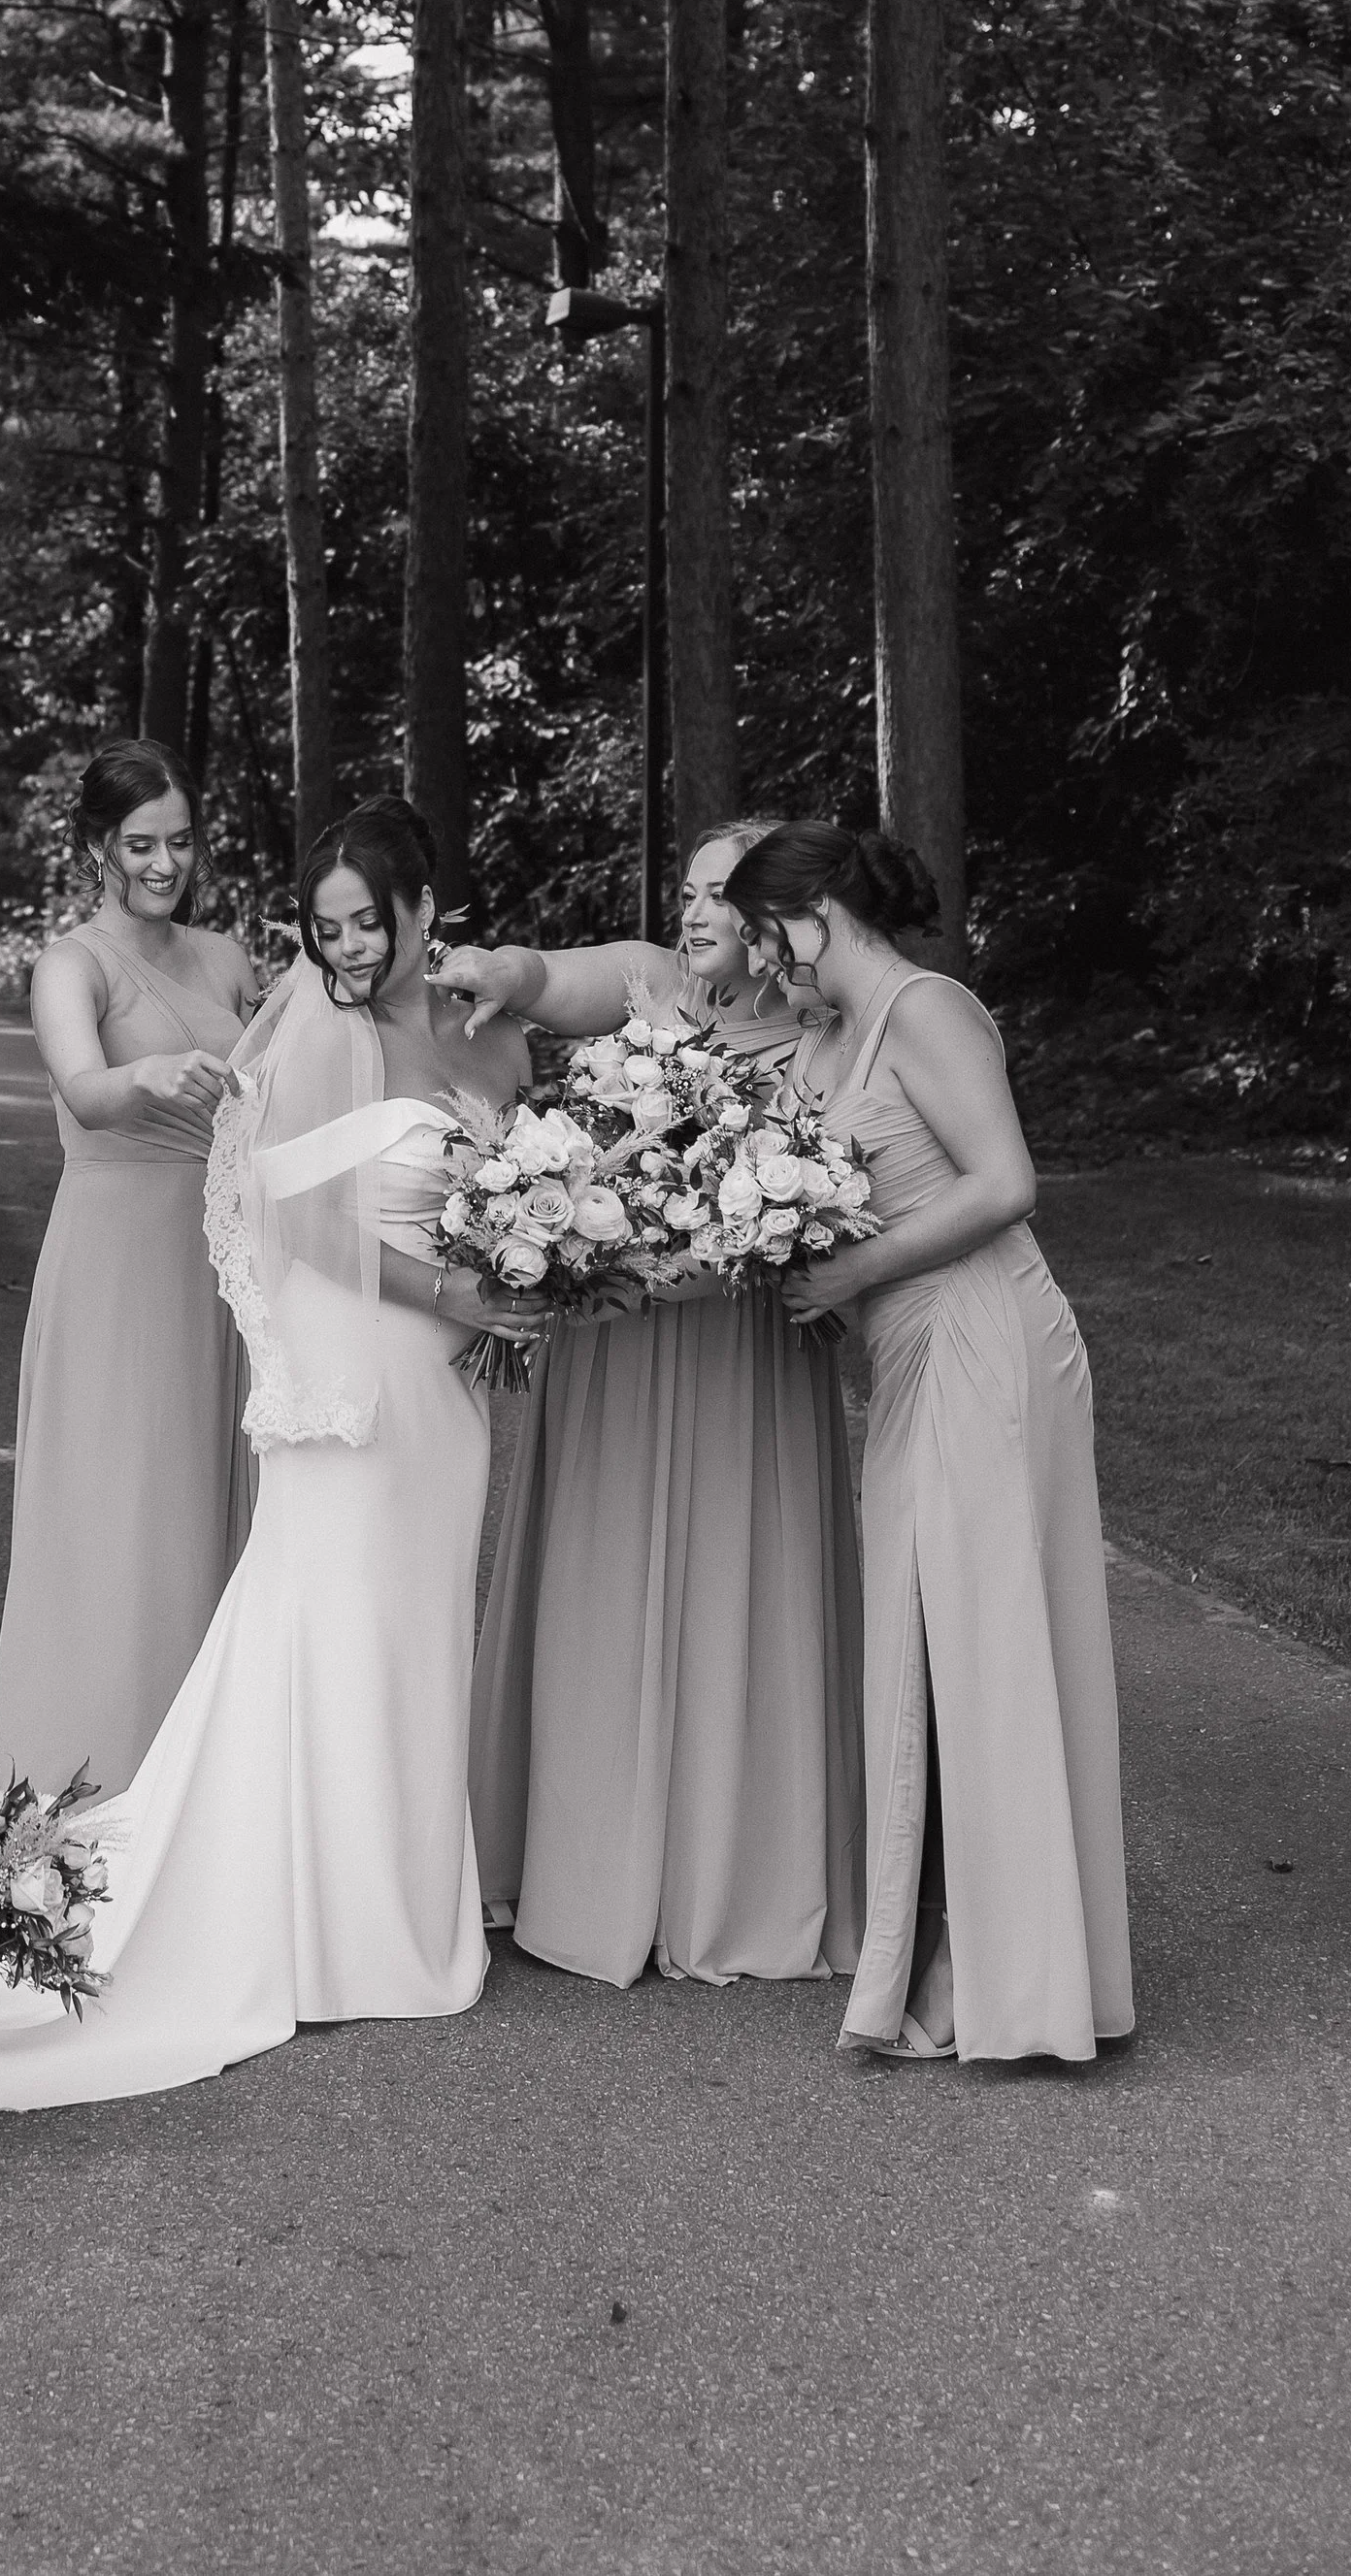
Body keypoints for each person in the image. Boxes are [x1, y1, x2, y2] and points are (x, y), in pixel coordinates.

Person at [0, 798, 540, 2112]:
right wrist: (460, 1297)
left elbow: (510, 1174)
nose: (350, 945)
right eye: (328, 923)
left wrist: (534, 1259)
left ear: (428, 908)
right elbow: (290, 1214)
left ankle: (403, 1903)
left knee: (417, 1628)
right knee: (328, 1620)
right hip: (357, 1372)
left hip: (446, 1390)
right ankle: (330, 1927)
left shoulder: (485, 1029)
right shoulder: (319, 1028)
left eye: (372, 919)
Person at [721, 822, 1134, 2064]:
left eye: (764, 929)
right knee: (927, 1650)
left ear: (816, 912)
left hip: (986, 1340)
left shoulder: (927, 1008)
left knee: (984, 1650)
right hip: (909, 1355)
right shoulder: (833, 1035)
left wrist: (847, 1271)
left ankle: (1008, 1978)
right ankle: (953, 1953)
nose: (757, 955)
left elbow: (1004, 1182)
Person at [436, 830, 866, 1991]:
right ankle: (579, 1864)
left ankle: (738, 1878)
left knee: (743, 1582)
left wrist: (731, 1244)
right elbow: (543, 976)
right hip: (617, 1345)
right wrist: (495, 967)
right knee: (603, 1576)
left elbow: (833, 1183)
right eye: (683, 892)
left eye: (718, 896)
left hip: (742, 1355)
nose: (691, 913)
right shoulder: (648, 981)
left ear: (772, 913)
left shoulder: (822, 1029)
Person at [0, 740, 263, 1794]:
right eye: (139, 843)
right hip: (115, 1257)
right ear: (96, 844)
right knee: (118, 1505)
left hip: (221, 1262)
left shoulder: (230, 957)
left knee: (205, 1499)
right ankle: (92, 1770)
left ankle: (204, 1781)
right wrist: (142, 1071)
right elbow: (85, 1090)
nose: (163, 863)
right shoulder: (74, 963)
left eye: (180, 841)